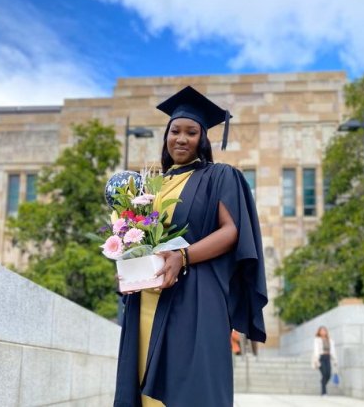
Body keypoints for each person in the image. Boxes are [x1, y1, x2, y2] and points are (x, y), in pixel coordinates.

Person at [113, 86, 268, 407]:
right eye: (175, 131)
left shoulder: (219, 176)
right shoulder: (151, 186)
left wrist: (183, 256)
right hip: (148, 299)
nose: (181, 139)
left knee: (191, 390)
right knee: (142, 390)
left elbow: (232, 232)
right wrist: (129, 272)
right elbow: (139, 240)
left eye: (191, 132)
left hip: (194, 296)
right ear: (166, 136)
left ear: (203, 139)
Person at [312, 326, 338, 396]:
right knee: (324, 374)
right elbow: (316, 350)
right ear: (319, 332)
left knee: (328, 374)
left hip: (328, 357)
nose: (323, 332)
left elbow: (333, 350)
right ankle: (324, 392)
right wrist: (316, 359)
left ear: (326, 332)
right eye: (321, 331)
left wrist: (335, 360)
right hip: (321, 358)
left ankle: (322, 383)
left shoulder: (330, 340)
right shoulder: (317, 340)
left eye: (324, 330)